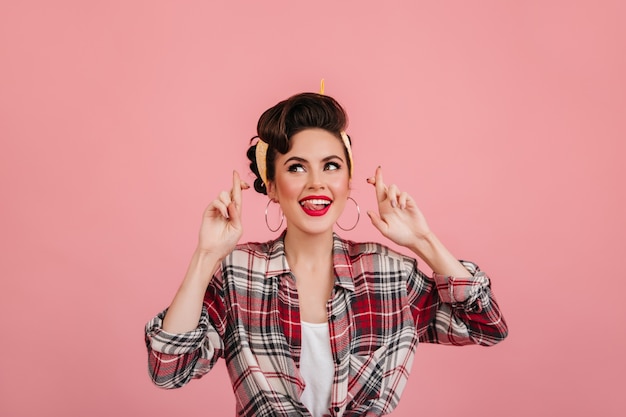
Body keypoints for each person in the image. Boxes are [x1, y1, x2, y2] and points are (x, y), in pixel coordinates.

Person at [144, 89, 508, 417]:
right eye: (296, 167)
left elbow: (487, 326)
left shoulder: (389, 272)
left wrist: (423, 240)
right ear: (271, 185)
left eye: (331, 166)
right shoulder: (238, 272)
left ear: (348, 180)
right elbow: (169, 369)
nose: (316, 182)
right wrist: (206, 255)